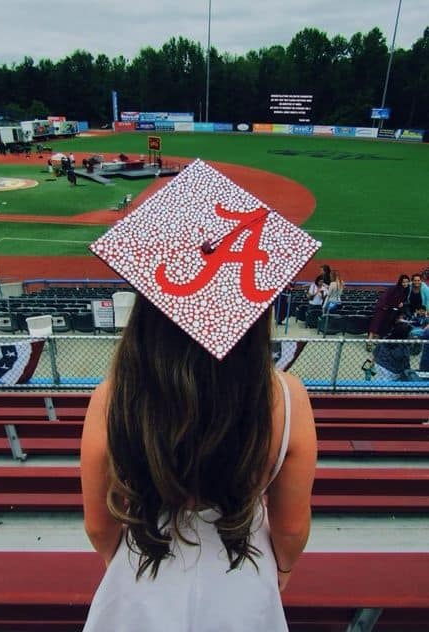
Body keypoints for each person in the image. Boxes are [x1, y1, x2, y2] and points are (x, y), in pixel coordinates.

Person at [81, 159, 319, 631]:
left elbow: (97, 524)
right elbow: (290, 528)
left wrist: (120, 568)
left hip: (142, 567)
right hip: (241, 571)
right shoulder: (288, 398)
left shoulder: (113, 396)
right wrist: (283, 570)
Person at [367, 274, 410, 342]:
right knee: (375, 324)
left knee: (384, 326)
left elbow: (404, 302)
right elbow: (384, 297)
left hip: (391, 311)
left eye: (407, 282)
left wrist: (402, 304)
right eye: (403, 282)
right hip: (383, 308)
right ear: (400, 282)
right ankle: (369, 341)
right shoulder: (394, 288)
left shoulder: (406, 291)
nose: (405, 283)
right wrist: (384, 306)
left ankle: (376, 340)